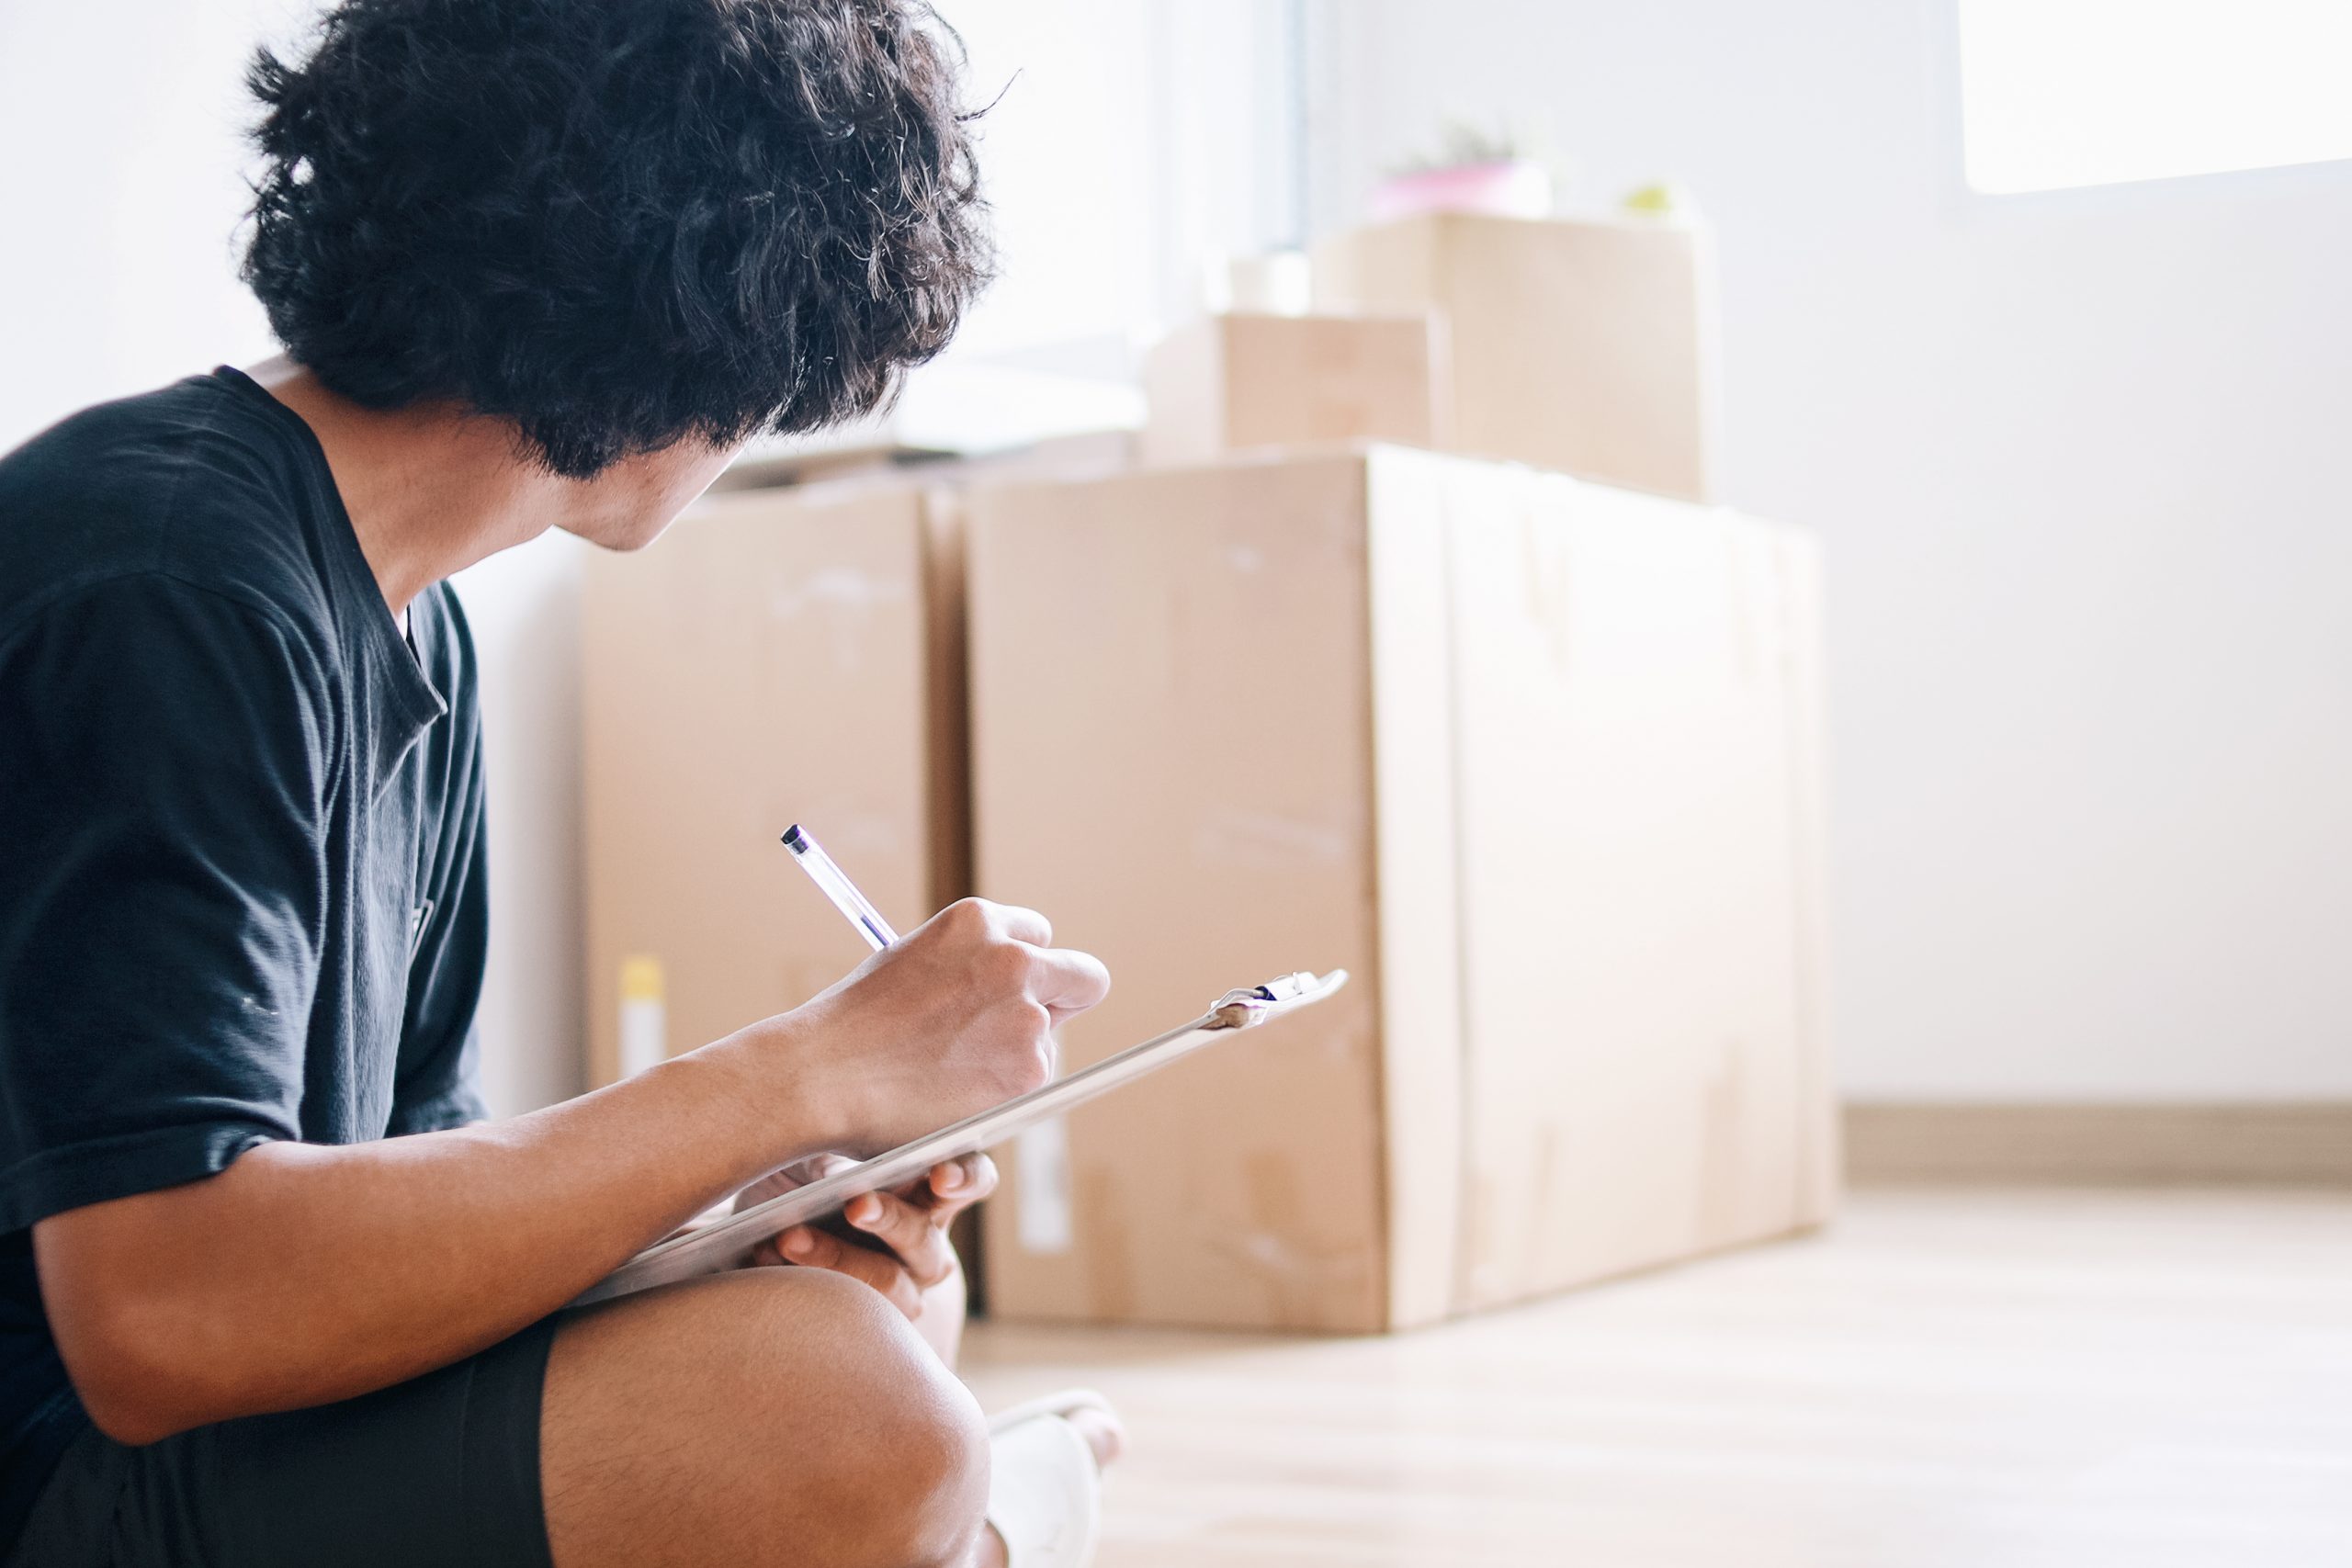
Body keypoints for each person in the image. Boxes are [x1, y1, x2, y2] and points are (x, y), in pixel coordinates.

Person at [0, 1, 1121, 1563]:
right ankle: (989, 1538)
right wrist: (796, 1071)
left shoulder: (412, 628)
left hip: (201, 1443)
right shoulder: (172, 580)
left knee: (862, 1316)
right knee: (848, 1409)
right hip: (56, 1471)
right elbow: (163, 1309)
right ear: (704, 332)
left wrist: (732, 1212)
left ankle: (968, 1524)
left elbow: (386, 1192)